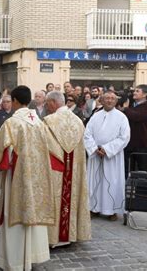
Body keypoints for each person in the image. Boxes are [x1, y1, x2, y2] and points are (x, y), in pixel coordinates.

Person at [0, 85, 55, 270]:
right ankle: (34, 255)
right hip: (37, 179)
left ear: (17, 102)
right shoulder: (40, 122)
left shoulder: (12, 123)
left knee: (16, 213)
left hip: (17, 177)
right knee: (33, 212)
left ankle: (16, 261)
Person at [43, 91, 91, 246]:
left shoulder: (49, 121)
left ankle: (53, 238)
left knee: (56, 196)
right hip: (73, 170)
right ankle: (70, 235)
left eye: (47, 103)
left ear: (52, 102)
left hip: (56, 171)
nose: (46, 106)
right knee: (72, 196)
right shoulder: (78, 121)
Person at [84, 91, 130, 221]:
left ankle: (111, 210)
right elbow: (87, 134)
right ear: (102, 100)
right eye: (107, 98)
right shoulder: (95, 116)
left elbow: (124, 137)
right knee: (94, 182)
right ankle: (93, 208)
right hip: (96, 155)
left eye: (112, 99)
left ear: (116, 101)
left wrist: (107, 149)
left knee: (112, 181)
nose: (109, 101)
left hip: (112, 157)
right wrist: (94, 148)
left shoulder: (121, 117)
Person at [122, 85, 147, 178]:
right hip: (130, 142)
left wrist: (126, 109)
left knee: (142, 169)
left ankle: (141, 189)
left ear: (144, 94)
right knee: (128, 168)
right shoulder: (132, 105)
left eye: (137, 91)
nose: (134, 93)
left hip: (141, 142)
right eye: (134, 91)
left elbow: (137, 117)